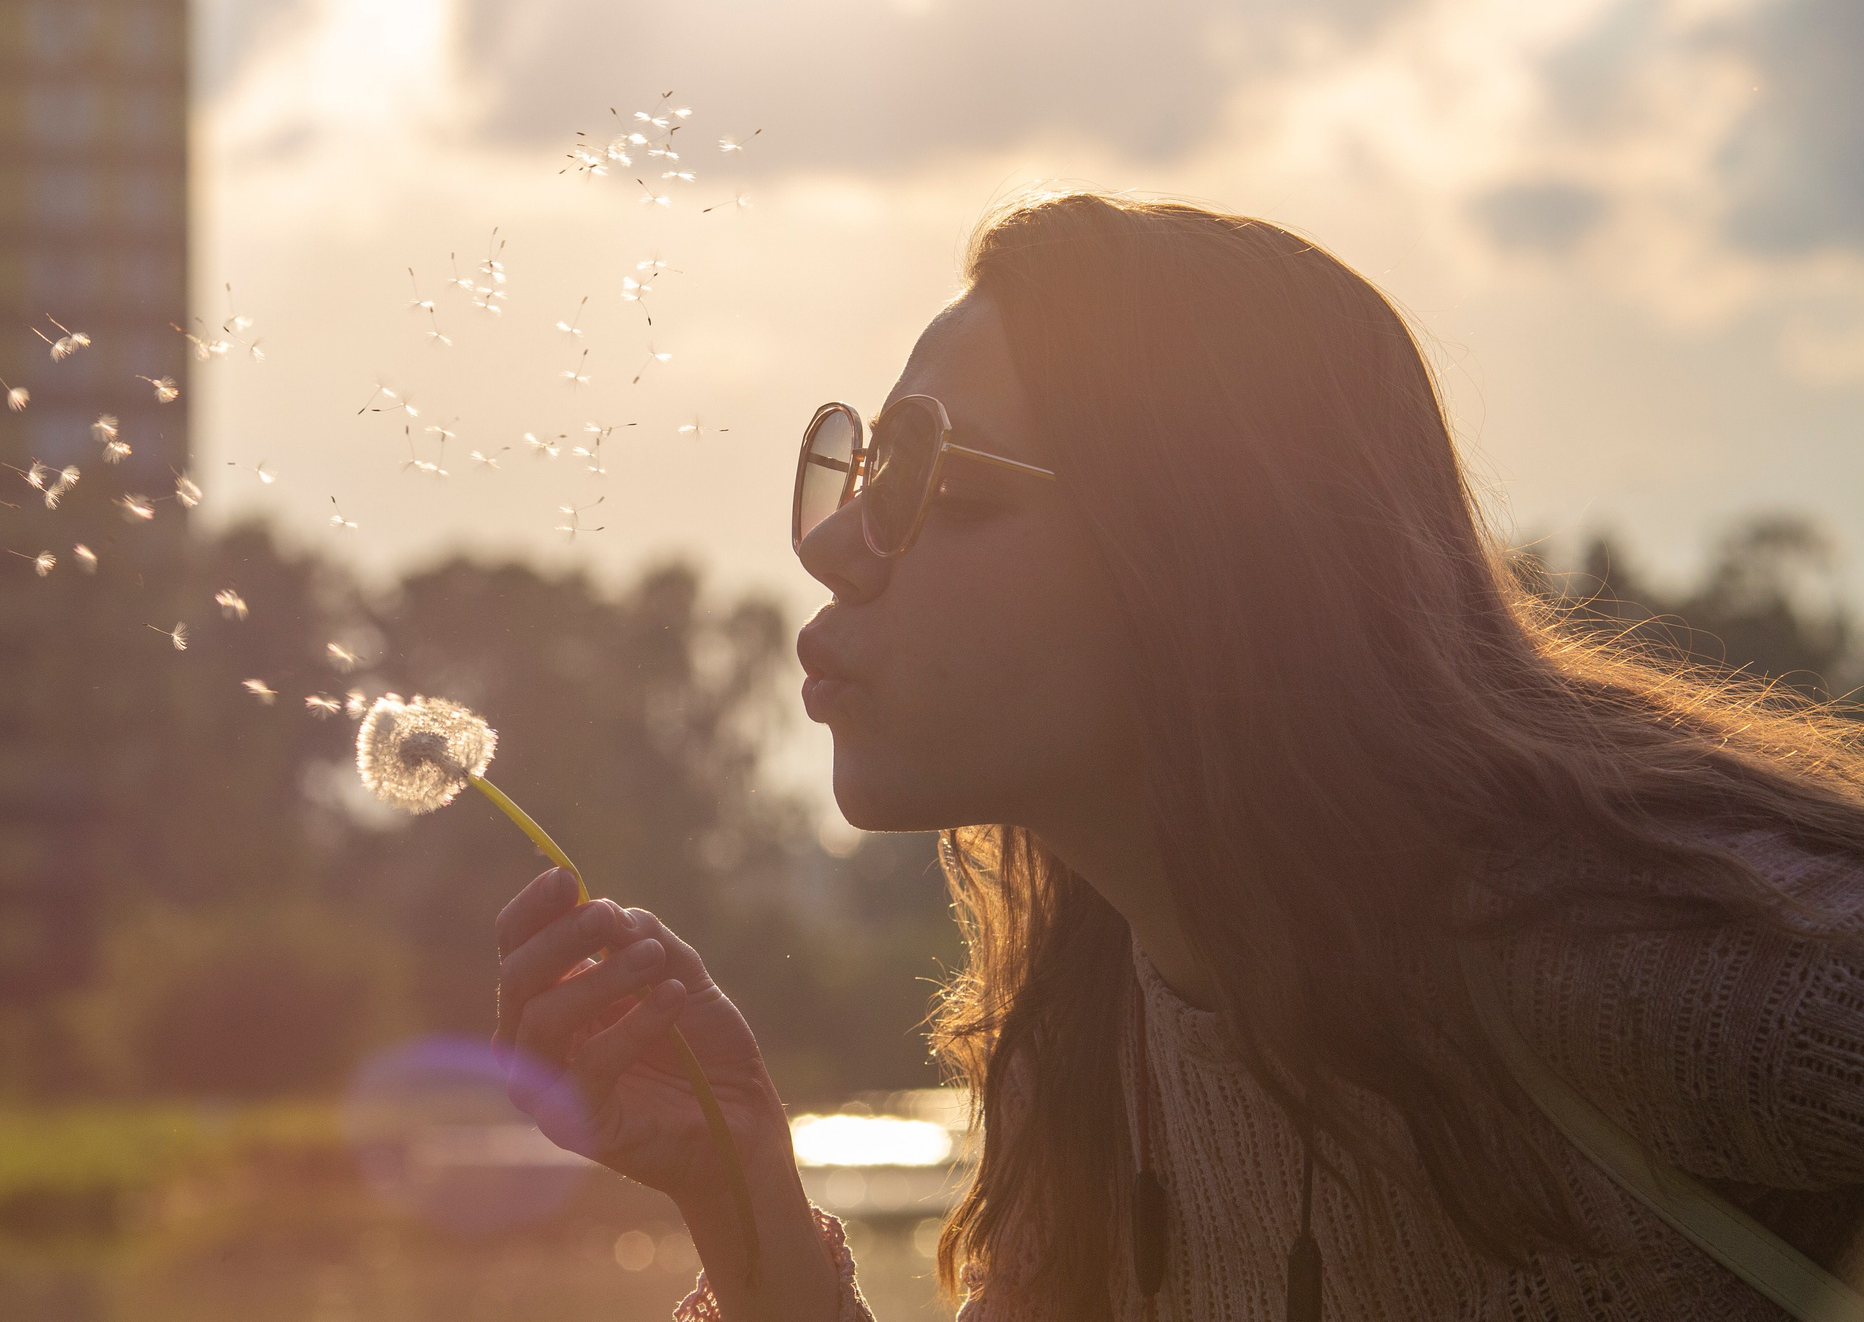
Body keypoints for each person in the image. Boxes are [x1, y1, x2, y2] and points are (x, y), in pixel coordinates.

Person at [491, 189, 1864, 1320]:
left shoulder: (1667, 972)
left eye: (931, 477)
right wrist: (743, 1193)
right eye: (862, 473)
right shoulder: (1088, 1039)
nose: (835, 547)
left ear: (1195, 554)